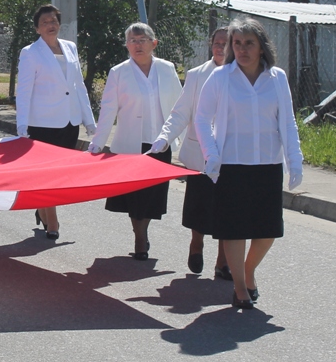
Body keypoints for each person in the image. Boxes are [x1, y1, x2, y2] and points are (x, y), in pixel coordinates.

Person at [194, 17, 303, 310]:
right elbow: (202, 118)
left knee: (267, 230)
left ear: (261, 47)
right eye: (237, 43)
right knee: (234, 228)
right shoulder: (220, 77)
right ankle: (240, 287)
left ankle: (248, 270)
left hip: (267, 164)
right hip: (231, 164)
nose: (242, 49)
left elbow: (288, 122)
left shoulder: (277, 78)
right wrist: (212, 154)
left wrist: (295, 160)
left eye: (249, 43)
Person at [88, 22, 183, 260]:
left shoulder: (167, 68)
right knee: (135, 194)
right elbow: (108, 109)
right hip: (130, 144)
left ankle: (144, 229)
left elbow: (179, 106)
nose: (137, 45)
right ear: (126, 45)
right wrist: (97, 143)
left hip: (160, 142)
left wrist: (185, 140)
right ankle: (139, 236)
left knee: (153, 194)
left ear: (154, 43)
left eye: (142, 40)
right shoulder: (118, 72)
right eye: (132, 40)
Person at [149, 27, 231, 278]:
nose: (220, 48)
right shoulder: (197, 75)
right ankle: (197, 243)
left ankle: (224, 261)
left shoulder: (243, 75)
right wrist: (164, 138)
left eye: (225, 43)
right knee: (200, 206)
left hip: (232, 154)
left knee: (228, 209)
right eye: (216, 43)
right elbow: (181, 112)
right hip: (201, 154)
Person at [15, 4, 96, 240]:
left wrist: (89, 121)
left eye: (54, 21)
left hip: (69, 122)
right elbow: (24, 90)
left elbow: (78, 86)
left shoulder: (70, 48)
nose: (50, 25)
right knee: (45, 173)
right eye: (45, 23)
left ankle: (42, 206)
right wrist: (22, 125)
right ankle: (53, 221)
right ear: (37, 29)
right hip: (42, 123)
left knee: (59, 175)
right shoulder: (30, 52)